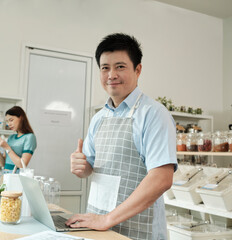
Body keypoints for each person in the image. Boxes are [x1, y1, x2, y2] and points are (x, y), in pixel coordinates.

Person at [67, 33, 177, 240]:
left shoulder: (153, 114)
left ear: (138, 70)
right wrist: (81, 167)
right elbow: (90, 168)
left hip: (138, 230)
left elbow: (162, 178)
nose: (111, 74)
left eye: (120, 67)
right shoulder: (99, 117)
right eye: (105, 68)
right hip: (99, 226)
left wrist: (107, 219)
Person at [0, 106, 37, 172]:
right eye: (7, 121)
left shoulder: (29, 137)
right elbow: (3, 163)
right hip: (5, 176)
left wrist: (7, 147)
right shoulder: (11, 138)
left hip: (16, 178)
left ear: (21, 118)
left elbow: (22, 165)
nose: (9, 124)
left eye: (11, 120)